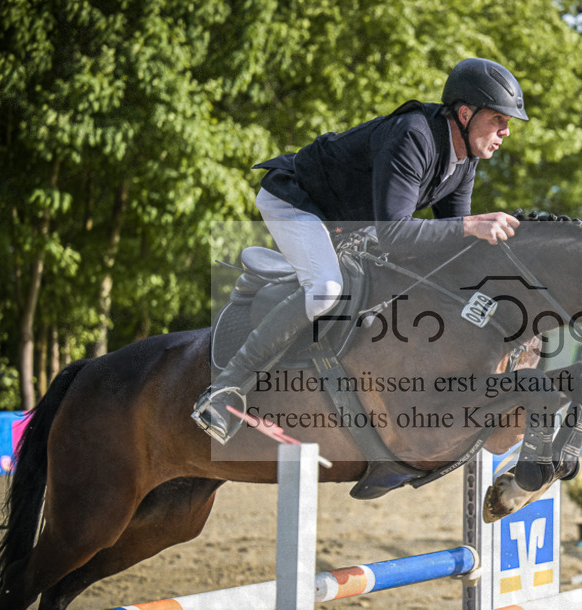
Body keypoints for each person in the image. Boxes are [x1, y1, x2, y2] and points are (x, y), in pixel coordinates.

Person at [193, 58, 530, 443]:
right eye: (498, 120)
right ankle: (225, 389)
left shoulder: (464, 160)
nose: (505, 132)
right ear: (466, 113)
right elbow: (397, 235)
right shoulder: (414, 135)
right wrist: (470, 226)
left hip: (345, 224)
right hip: (296, 202)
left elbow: (449, 248)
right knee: (326, 290)